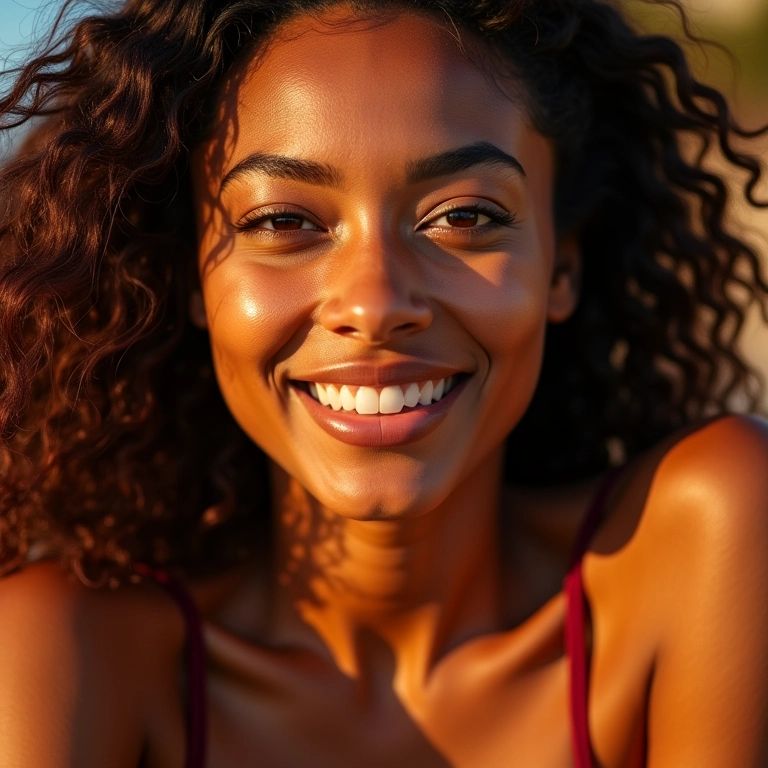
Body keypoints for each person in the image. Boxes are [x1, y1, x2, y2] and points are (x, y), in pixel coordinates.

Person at [1, 0, 768, 765]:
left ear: (561, 266)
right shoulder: (71, 653)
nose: (373, 304)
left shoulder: (707, 536)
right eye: (283, 222)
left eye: (463, 216)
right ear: (193, 277)